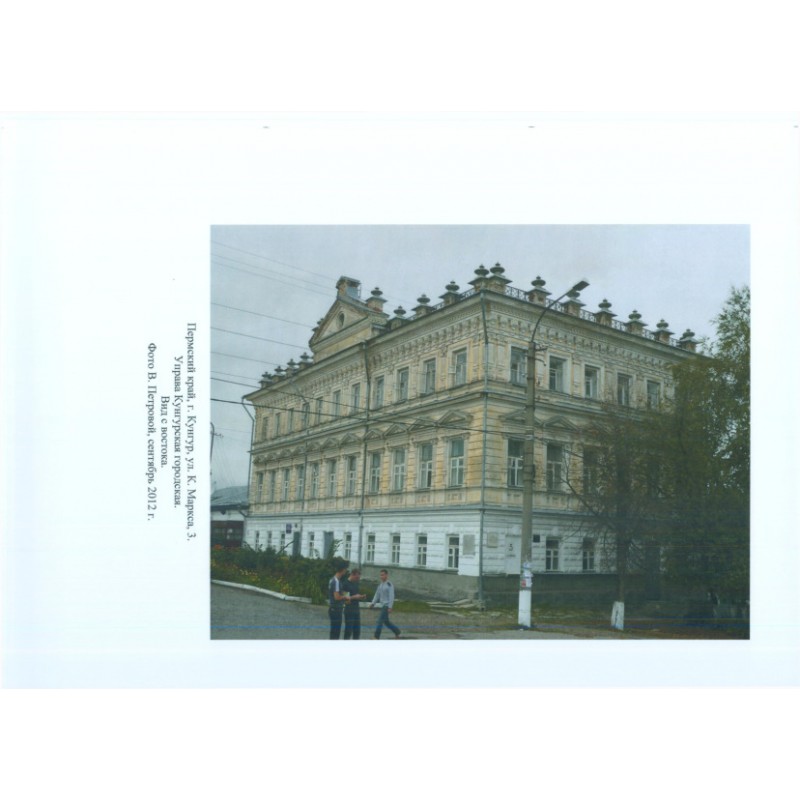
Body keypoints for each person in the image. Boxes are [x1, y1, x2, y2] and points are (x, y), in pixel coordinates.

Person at [369, 568, 401, 639]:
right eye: (380, 575)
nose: (381, 576)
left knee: (380, 621)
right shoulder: (380, 585)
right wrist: (373, 603)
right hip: (382, 605)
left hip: (386, 606)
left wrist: (390, 607)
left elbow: (391, 596)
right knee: (386, 622)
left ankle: (376, 637)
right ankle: (397, 632)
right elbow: (377, 595)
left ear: (386, 575)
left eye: (383, 575)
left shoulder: (389, 585)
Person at [342, 568, 367, 640]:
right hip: (349, 610)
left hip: (356, 610)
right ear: (352, 575)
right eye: (356, 577)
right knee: (348, 631)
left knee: (357, 631)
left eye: (358, 578)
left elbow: (356, 596)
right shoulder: (345, 584)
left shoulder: (355, 583)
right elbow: (346, 599)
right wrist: (355, 597)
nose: (357, 579)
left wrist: (361, 597)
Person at [328, 559, 349, 639]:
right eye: (345, 569)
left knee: (333, 631)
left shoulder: (332, 579)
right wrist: (345, 597)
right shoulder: (336, 581)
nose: (346, 571)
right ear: (343, 570)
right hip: (336, 609)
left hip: (333, 608)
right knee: (336, 633)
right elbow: (337, 597)